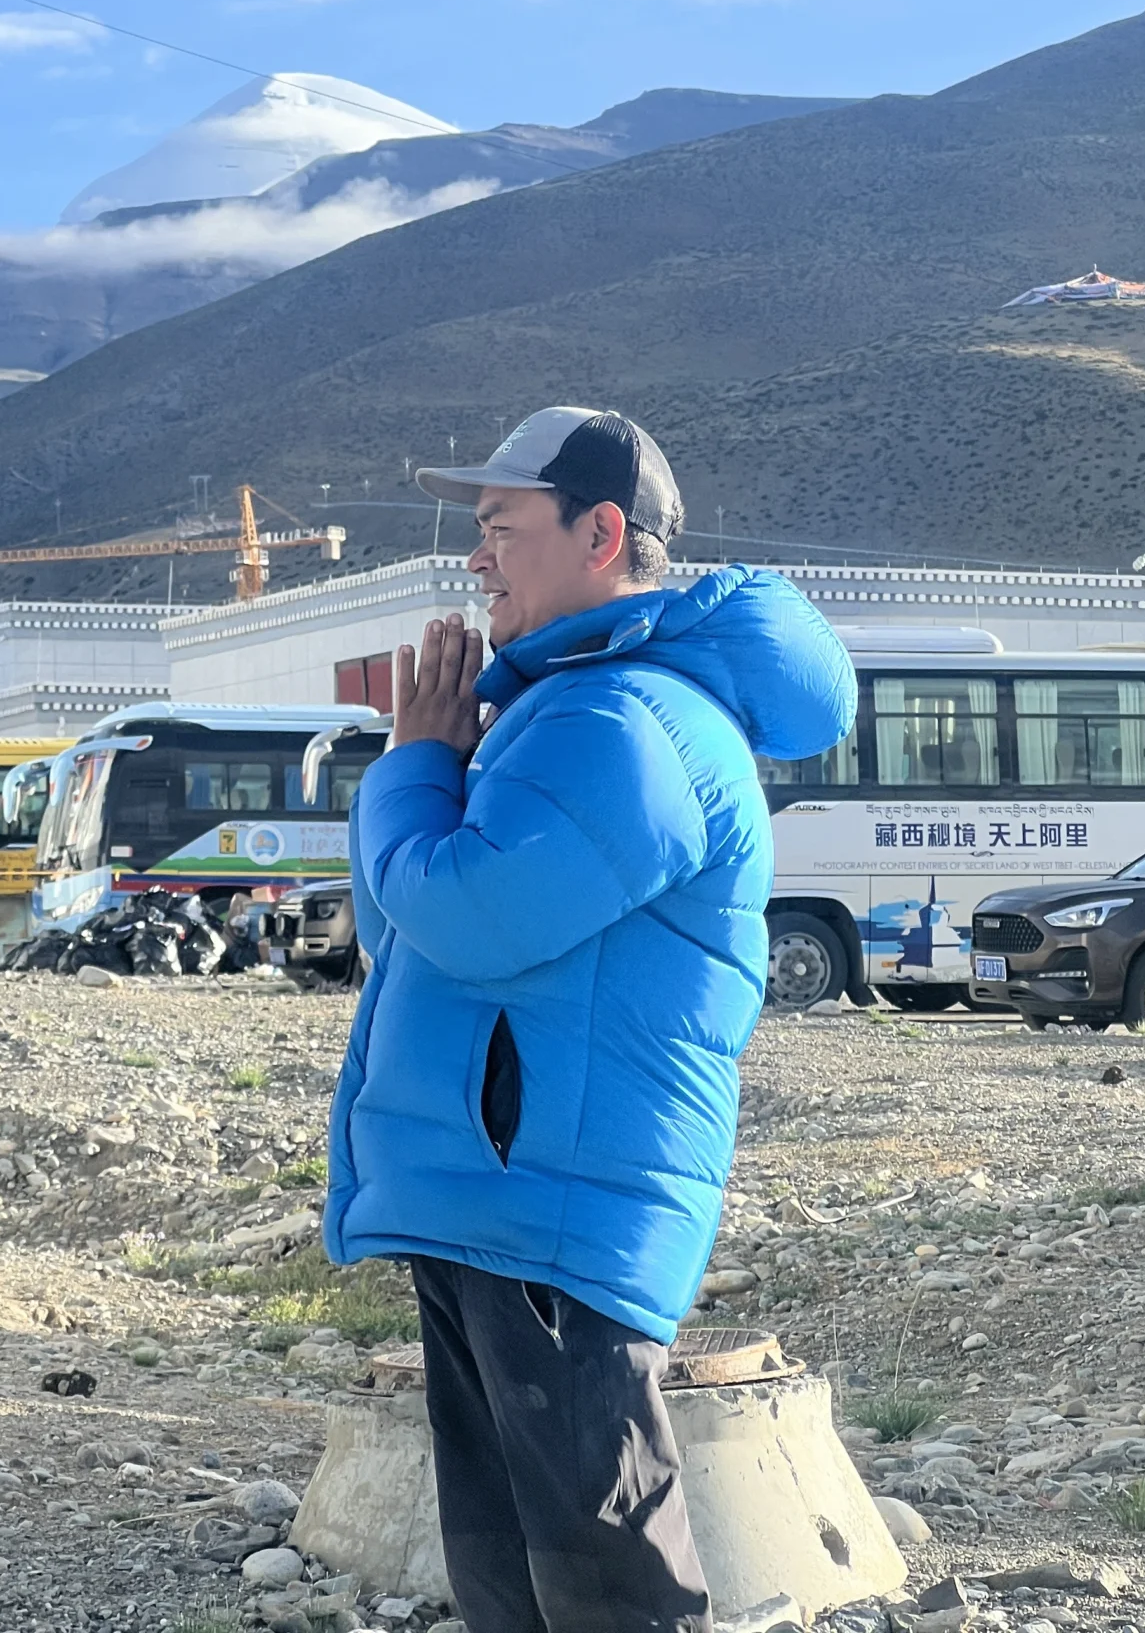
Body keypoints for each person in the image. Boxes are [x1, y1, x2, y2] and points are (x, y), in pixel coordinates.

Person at [324, 406, 856, 1633]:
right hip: (500, 1196)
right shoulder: (566, 708)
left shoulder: (626, 722)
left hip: (550, 1206)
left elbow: (467, 916)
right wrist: (425, 766)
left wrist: (415, 763)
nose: (477, 559)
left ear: (601, 533)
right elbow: (396, 930)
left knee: (606, 1586)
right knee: (514, 1574)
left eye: (500, 527)